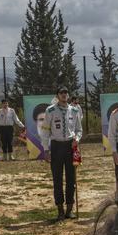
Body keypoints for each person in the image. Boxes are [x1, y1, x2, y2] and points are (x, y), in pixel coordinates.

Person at [42, 88, 82, 220]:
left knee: (71, 179)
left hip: (70, 146)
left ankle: (69, 209)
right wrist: (46, 150)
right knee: (57, 179)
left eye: (66, 93)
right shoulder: (50, 110)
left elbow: (78, 129)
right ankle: (60, 209)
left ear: (68, 95)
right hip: (56, 146)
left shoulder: (75, 110)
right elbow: (45, 131)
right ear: (57, 96)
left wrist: (76, 139)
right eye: (61, 93)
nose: (64, 95)